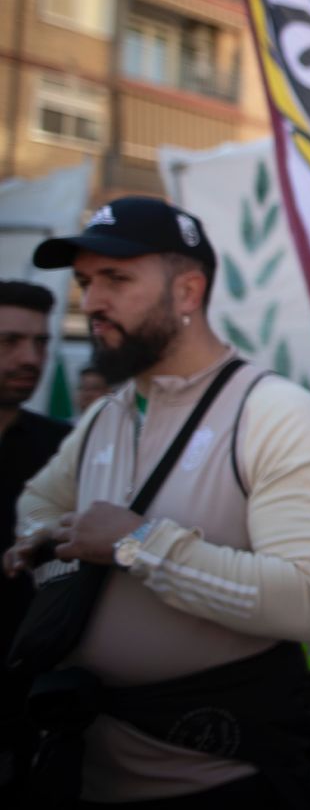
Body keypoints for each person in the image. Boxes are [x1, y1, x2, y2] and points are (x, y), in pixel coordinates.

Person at [5, 196, 310, 806]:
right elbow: (37, 502)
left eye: (116, 279)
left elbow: (305, 604)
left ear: (188, 293)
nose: (92, 302)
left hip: (218, 779)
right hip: (82, 769)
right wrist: (55, 547)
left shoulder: (275, 412)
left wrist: (138, 544)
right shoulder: (106, 415)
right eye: (85, 281)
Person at [0, 281, 72, 798]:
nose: (31, 357)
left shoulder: (61, 450)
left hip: (26, 695)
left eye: (41, 342)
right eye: (9, 342)